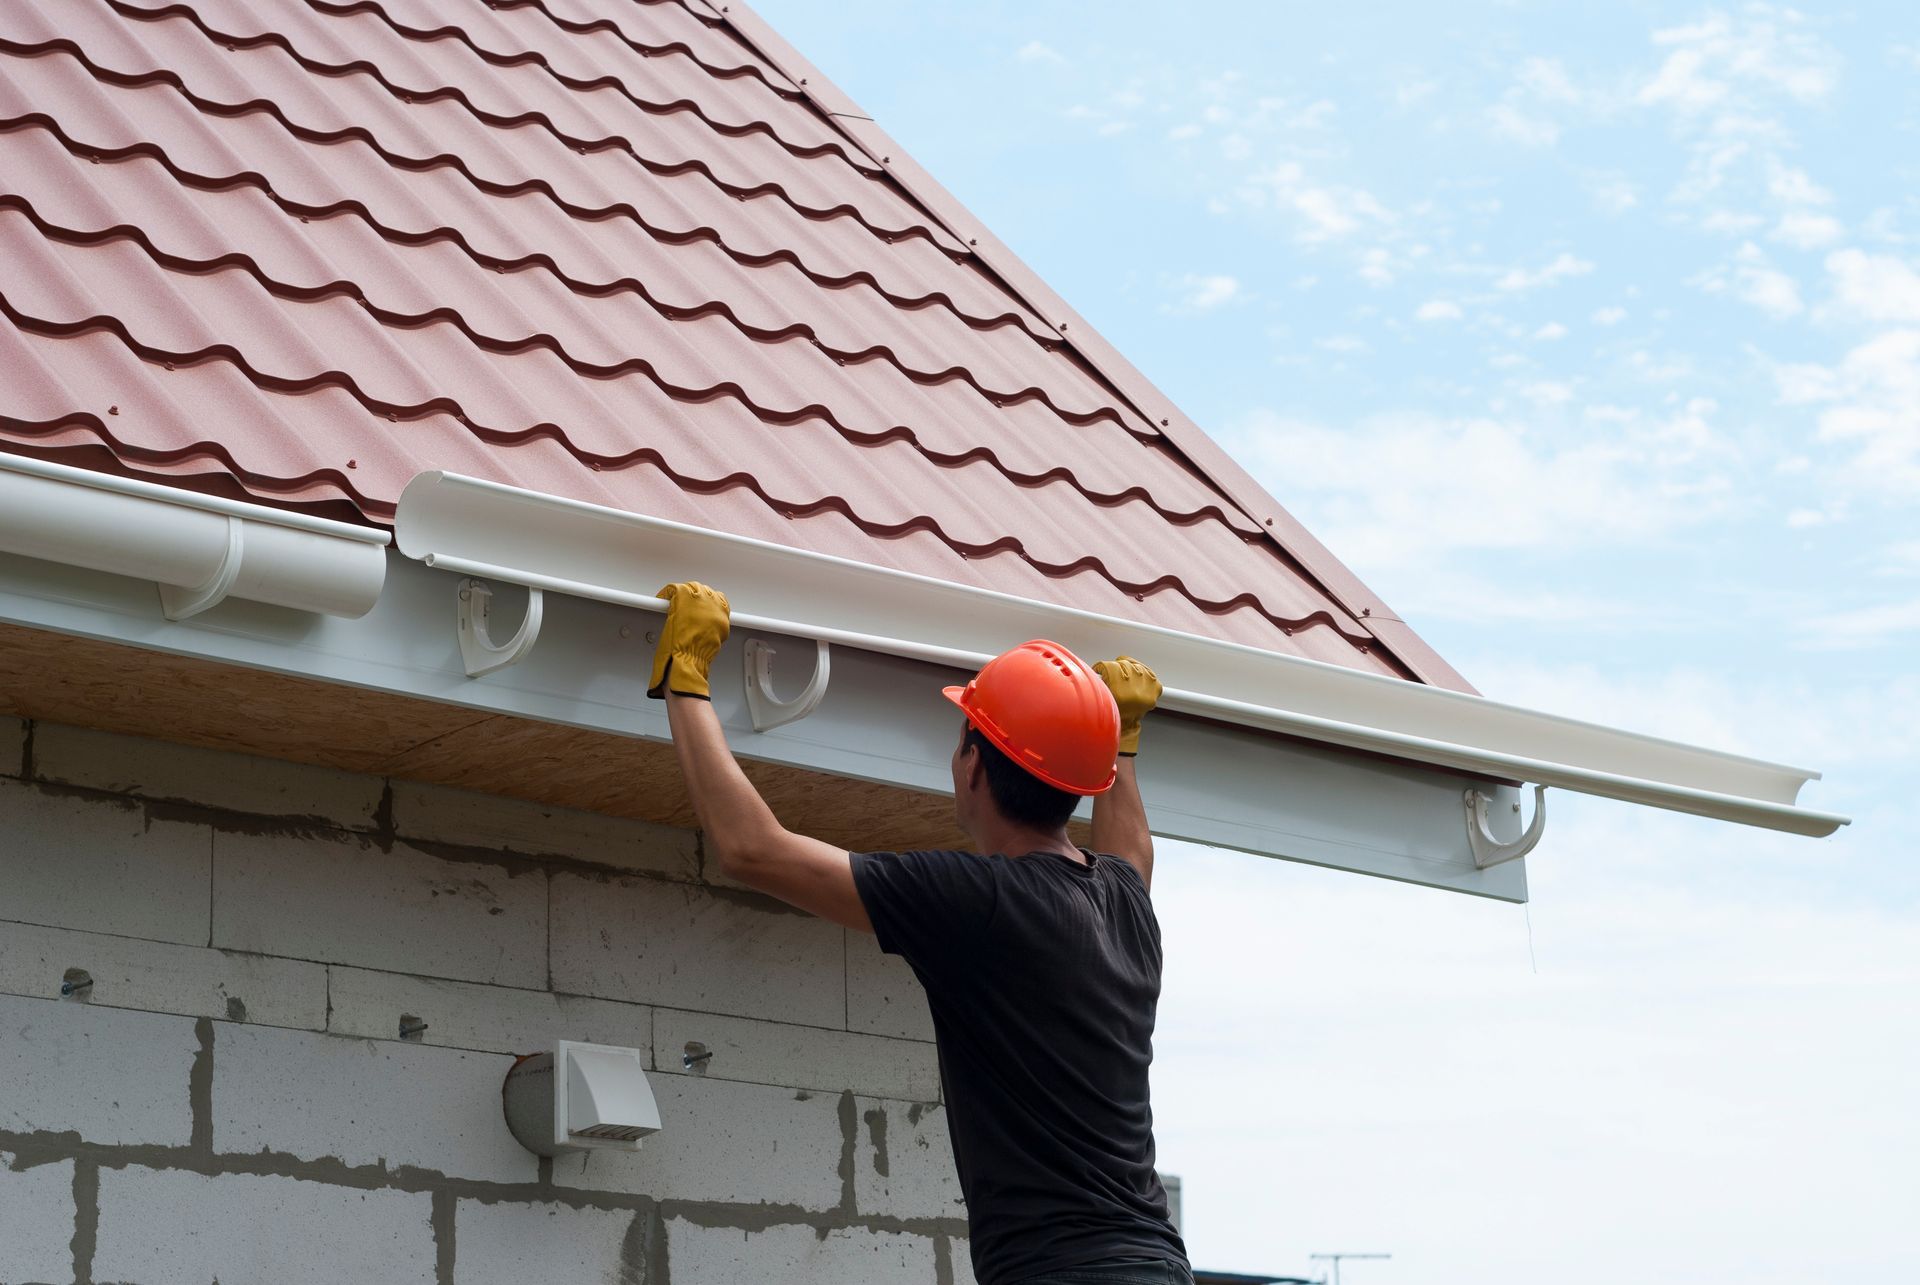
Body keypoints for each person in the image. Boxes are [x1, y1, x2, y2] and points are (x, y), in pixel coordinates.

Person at [651, 580, 1192, 1285]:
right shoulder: (1124, 902)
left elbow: (754, 849)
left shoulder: (982, 902)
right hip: (1154, 1262)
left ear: (974, 763)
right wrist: (1117, 738)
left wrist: (685, 678)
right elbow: (1132, 848)